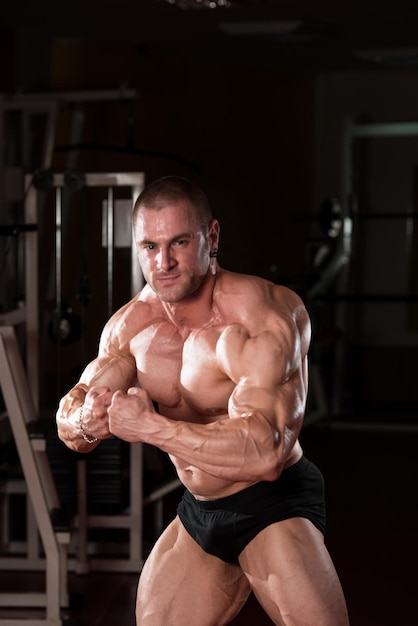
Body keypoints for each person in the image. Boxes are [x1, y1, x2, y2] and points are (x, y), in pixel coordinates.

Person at [56, 175, 349, 626]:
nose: (164, 262)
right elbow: (70, 420)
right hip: (199, 511)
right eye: (149, 247)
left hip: (273, 504)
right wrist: (86, 420)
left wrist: (152, 428)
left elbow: (267, 451)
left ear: (211, 237)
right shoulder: (130, 327)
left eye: (179, 242)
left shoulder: (260, 314)